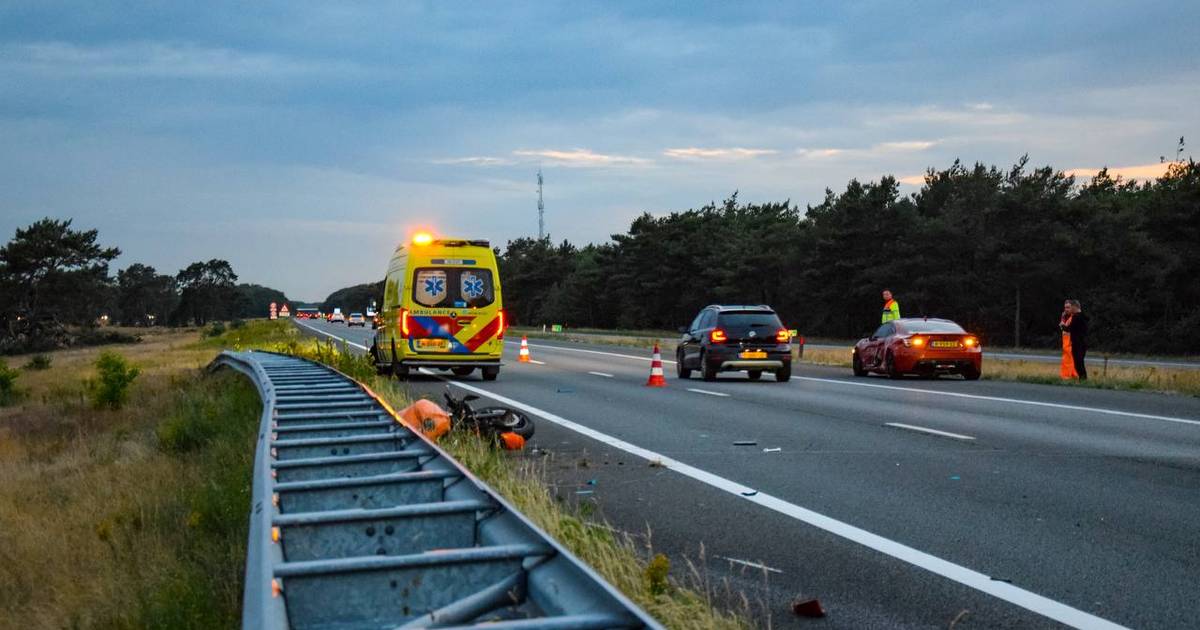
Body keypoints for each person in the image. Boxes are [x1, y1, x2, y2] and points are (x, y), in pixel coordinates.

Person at [1059, 299, 1089, 380]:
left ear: (1075, 307)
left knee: (1078, 362)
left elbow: (1069, 329)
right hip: (1080, 342)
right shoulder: (1082, 316)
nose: (1069, 309)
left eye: (1070, 307)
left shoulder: (1076, 317)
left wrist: (1062, 326)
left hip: (1077, 343)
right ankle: (1082, 378)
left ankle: (1082, 378)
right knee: (1078, 361)